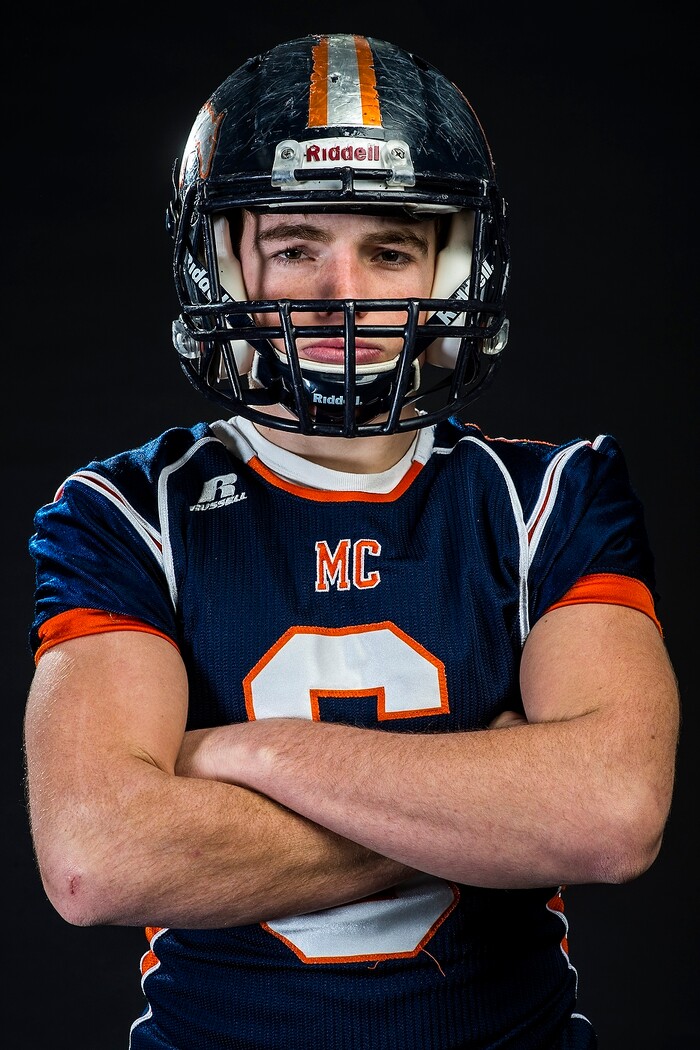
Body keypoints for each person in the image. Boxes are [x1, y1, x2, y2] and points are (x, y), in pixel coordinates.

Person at [23, 32, 679, 1050]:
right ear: (226, 262)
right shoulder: (124, 511)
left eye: (389, 248)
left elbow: (609, 813)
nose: (343, 295)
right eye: (296, 247)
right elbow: (95, 858)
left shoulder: (553, 493)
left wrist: (246, 754)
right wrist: (490, 802)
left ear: (453, 266)